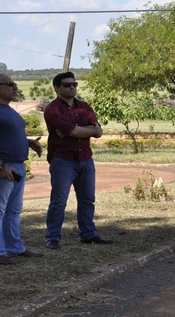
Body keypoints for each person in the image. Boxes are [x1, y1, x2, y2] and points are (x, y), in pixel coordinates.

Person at [0, 73, 45, 265]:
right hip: (2, 167)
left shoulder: (8, 110)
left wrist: (29, 143)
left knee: (13, 210)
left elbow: (7, 135)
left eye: (15, 84)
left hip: (17, 166)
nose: (15, 88)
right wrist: (0, 166)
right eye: (10, 84)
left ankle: (14, 248)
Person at [43, 71, 112, 250]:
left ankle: (88, 234)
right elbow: (77, 132)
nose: (72, 87)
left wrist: (77, 129)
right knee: (59, 200)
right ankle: (52, 237)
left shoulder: (84, 106)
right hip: (63, 160)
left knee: (88, 199)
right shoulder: (53, 109)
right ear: (57, 88)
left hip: (86, 159)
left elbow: (99, 132)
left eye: (74, 84)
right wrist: (83, 129)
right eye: (67, 85)